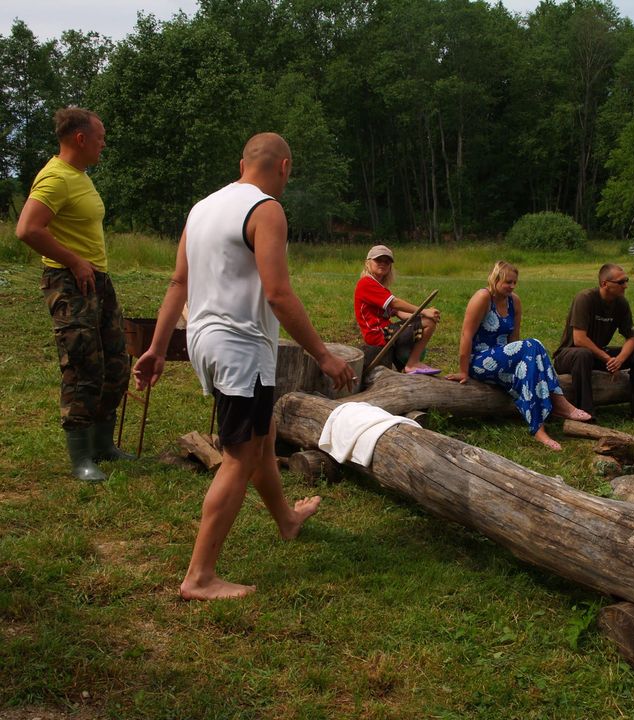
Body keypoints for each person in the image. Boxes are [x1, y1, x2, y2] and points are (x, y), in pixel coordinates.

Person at [133, 133, 355, 601]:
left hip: (204, 341)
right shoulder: (266, 209)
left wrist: (157, 347)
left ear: (241, 164)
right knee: (240, 456)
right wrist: (323, 355)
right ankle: (199, 577)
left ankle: (287, 520)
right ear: (285, 167)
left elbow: (178, 283)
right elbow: (278, 293)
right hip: (240, 348)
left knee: (262, 435)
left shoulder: (201, 209)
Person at [15, 107, 133, 482]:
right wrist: (75, 261)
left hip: (96, 279)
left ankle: (102, 445)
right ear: (80, 139)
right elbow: (27, 228)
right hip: (68, 282)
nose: (104, 144)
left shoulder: (79, 176)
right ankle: (81, 457)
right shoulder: (55, 178)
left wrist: (90, 268)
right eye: (100, 138)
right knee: (83, 364)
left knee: (115, 361)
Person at [446, 261, 591, 451]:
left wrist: (521, 364)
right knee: (533, 344)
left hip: (504, 358)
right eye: (508, 282)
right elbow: (466, 335)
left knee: (528, 369)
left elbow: (514, 340)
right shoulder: (483, 297)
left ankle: (538, 429)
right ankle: (559, 402)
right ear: (495, 279)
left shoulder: (514, 301)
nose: (512, 286)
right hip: (480, 361)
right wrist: (463, 371)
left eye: (515, 282)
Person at [552, 263, 634, 420]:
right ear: (604, 284)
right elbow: (579, 339)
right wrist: (607, 358)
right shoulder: (585, 298)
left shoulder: (621, 303)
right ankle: (586, 414)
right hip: (569, 355)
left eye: (626, 280)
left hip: (596, 354)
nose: (626, 286)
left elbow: (631, 338)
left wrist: (619, 360)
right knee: (583, 354)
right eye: (621, 282)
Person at [354, 245, 440, 374]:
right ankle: (412, 363)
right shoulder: (366, 283)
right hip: (378, 334)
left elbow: (399, 312)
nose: (383, 263)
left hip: (386, 332)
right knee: (429, 323)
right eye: (378, 260)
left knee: (426, 321)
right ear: (368, 263)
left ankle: (409, 363)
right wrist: (423, 311)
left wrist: (421, 317)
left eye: (387, 261)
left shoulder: (380, 288)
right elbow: (394, 303)